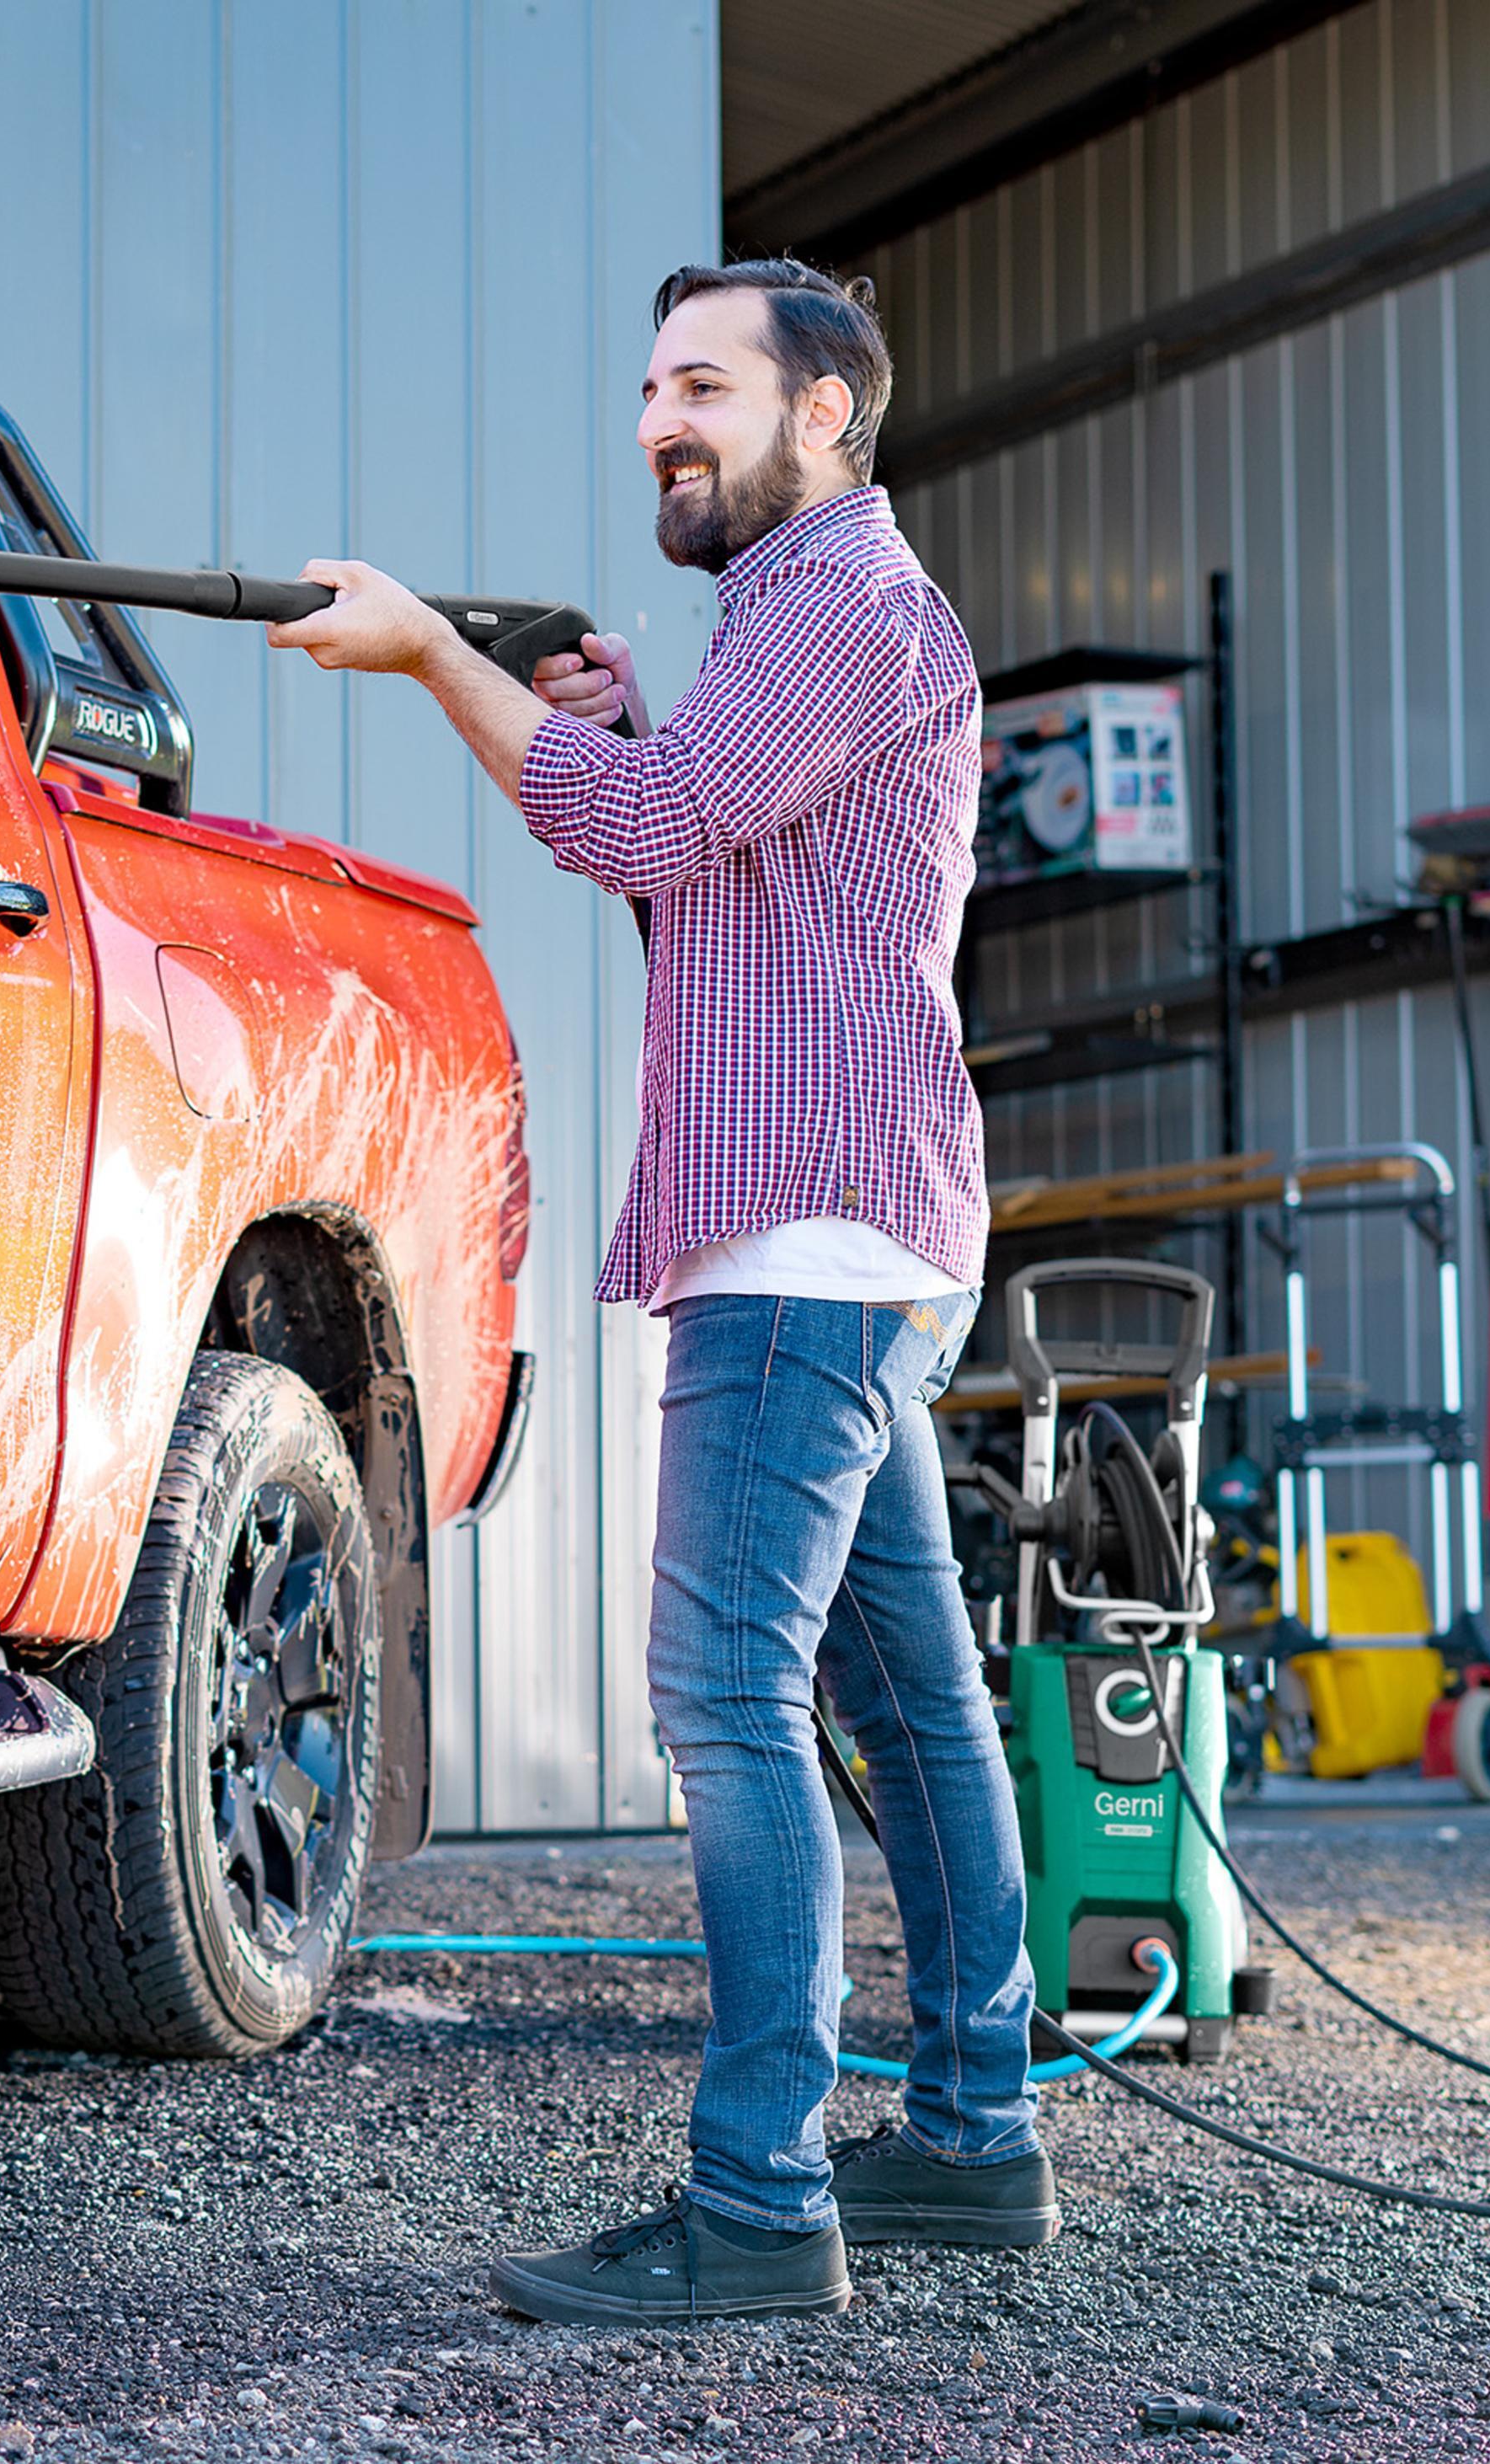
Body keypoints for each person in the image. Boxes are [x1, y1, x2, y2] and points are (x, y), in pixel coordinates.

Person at [269, 258, 1046, 2328]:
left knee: (726, 1700)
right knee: (906, 1698)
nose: (656, 422)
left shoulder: (852, 609)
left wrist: (441, 656)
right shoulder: (787, 627)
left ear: (829, 416)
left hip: (808, 1246)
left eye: (702, 383)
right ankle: (973, 2132)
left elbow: (653, 817)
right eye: (646, 387)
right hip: (847, 1237)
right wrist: (604, 723)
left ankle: (760, 2197)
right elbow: (676, 848)